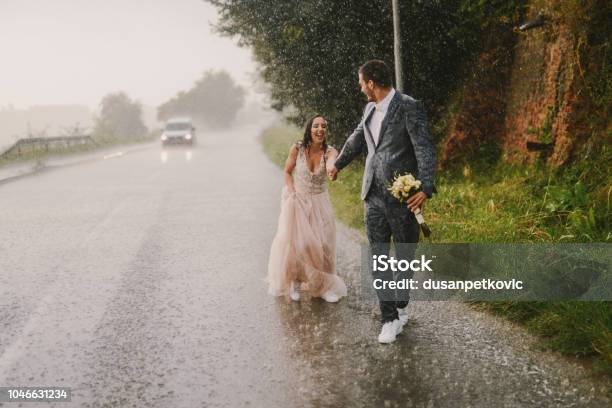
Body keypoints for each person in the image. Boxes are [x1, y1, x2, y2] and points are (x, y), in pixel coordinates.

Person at [328, 60, 436, 343]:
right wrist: (338, 163)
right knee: (377, 258)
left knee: (403, 257)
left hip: (402, 197)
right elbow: (357, 139)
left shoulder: (409, 106)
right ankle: (388, 318)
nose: (360, 86)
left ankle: (401, 305)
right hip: (372, 196)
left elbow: (424, 147)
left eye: (361, 82)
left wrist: (425, 187)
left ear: (372, 83)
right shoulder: (369, 109)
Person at [267, 115, 347, 303]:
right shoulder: (298, 148)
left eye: (323, 126)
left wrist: (331, 170)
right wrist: (291, 190)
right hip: (298, 200)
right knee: (299, 245)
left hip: (320, 201)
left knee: (325, 244)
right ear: (309, 129)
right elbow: (287, 172)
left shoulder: (330, 151)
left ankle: (324, 287)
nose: (320, 129)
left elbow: (331, 165)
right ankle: (294, 281)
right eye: (316, 126)